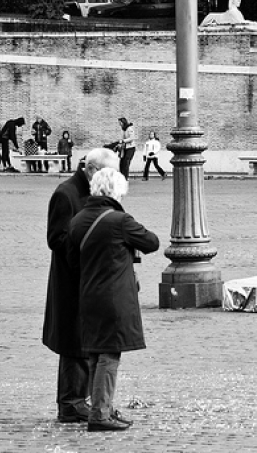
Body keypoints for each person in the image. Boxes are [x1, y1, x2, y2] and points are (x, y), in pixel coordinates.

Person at [67, 168, 160, 432]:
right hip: (114, 297)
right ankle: (100, 414)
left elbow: (73, 261)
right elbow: (151, 241)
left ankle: (102, 408)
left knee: (97, 352)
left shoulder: (78, 220)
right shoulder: (119, 220)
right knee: (110, 354)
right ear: (115, 191)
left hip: (88, 294)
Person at [43, 147, 120, 424]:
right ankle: (70, 402)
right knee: (73, 340)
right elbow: (57, 238)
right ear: (91, 170)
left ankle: (82, 399)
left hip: (91, 278)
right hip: (72, 279)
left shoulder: (97, 191)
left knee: (88, 339)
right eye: (109, 172)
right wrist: (88, 251)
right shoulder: (66, 193)